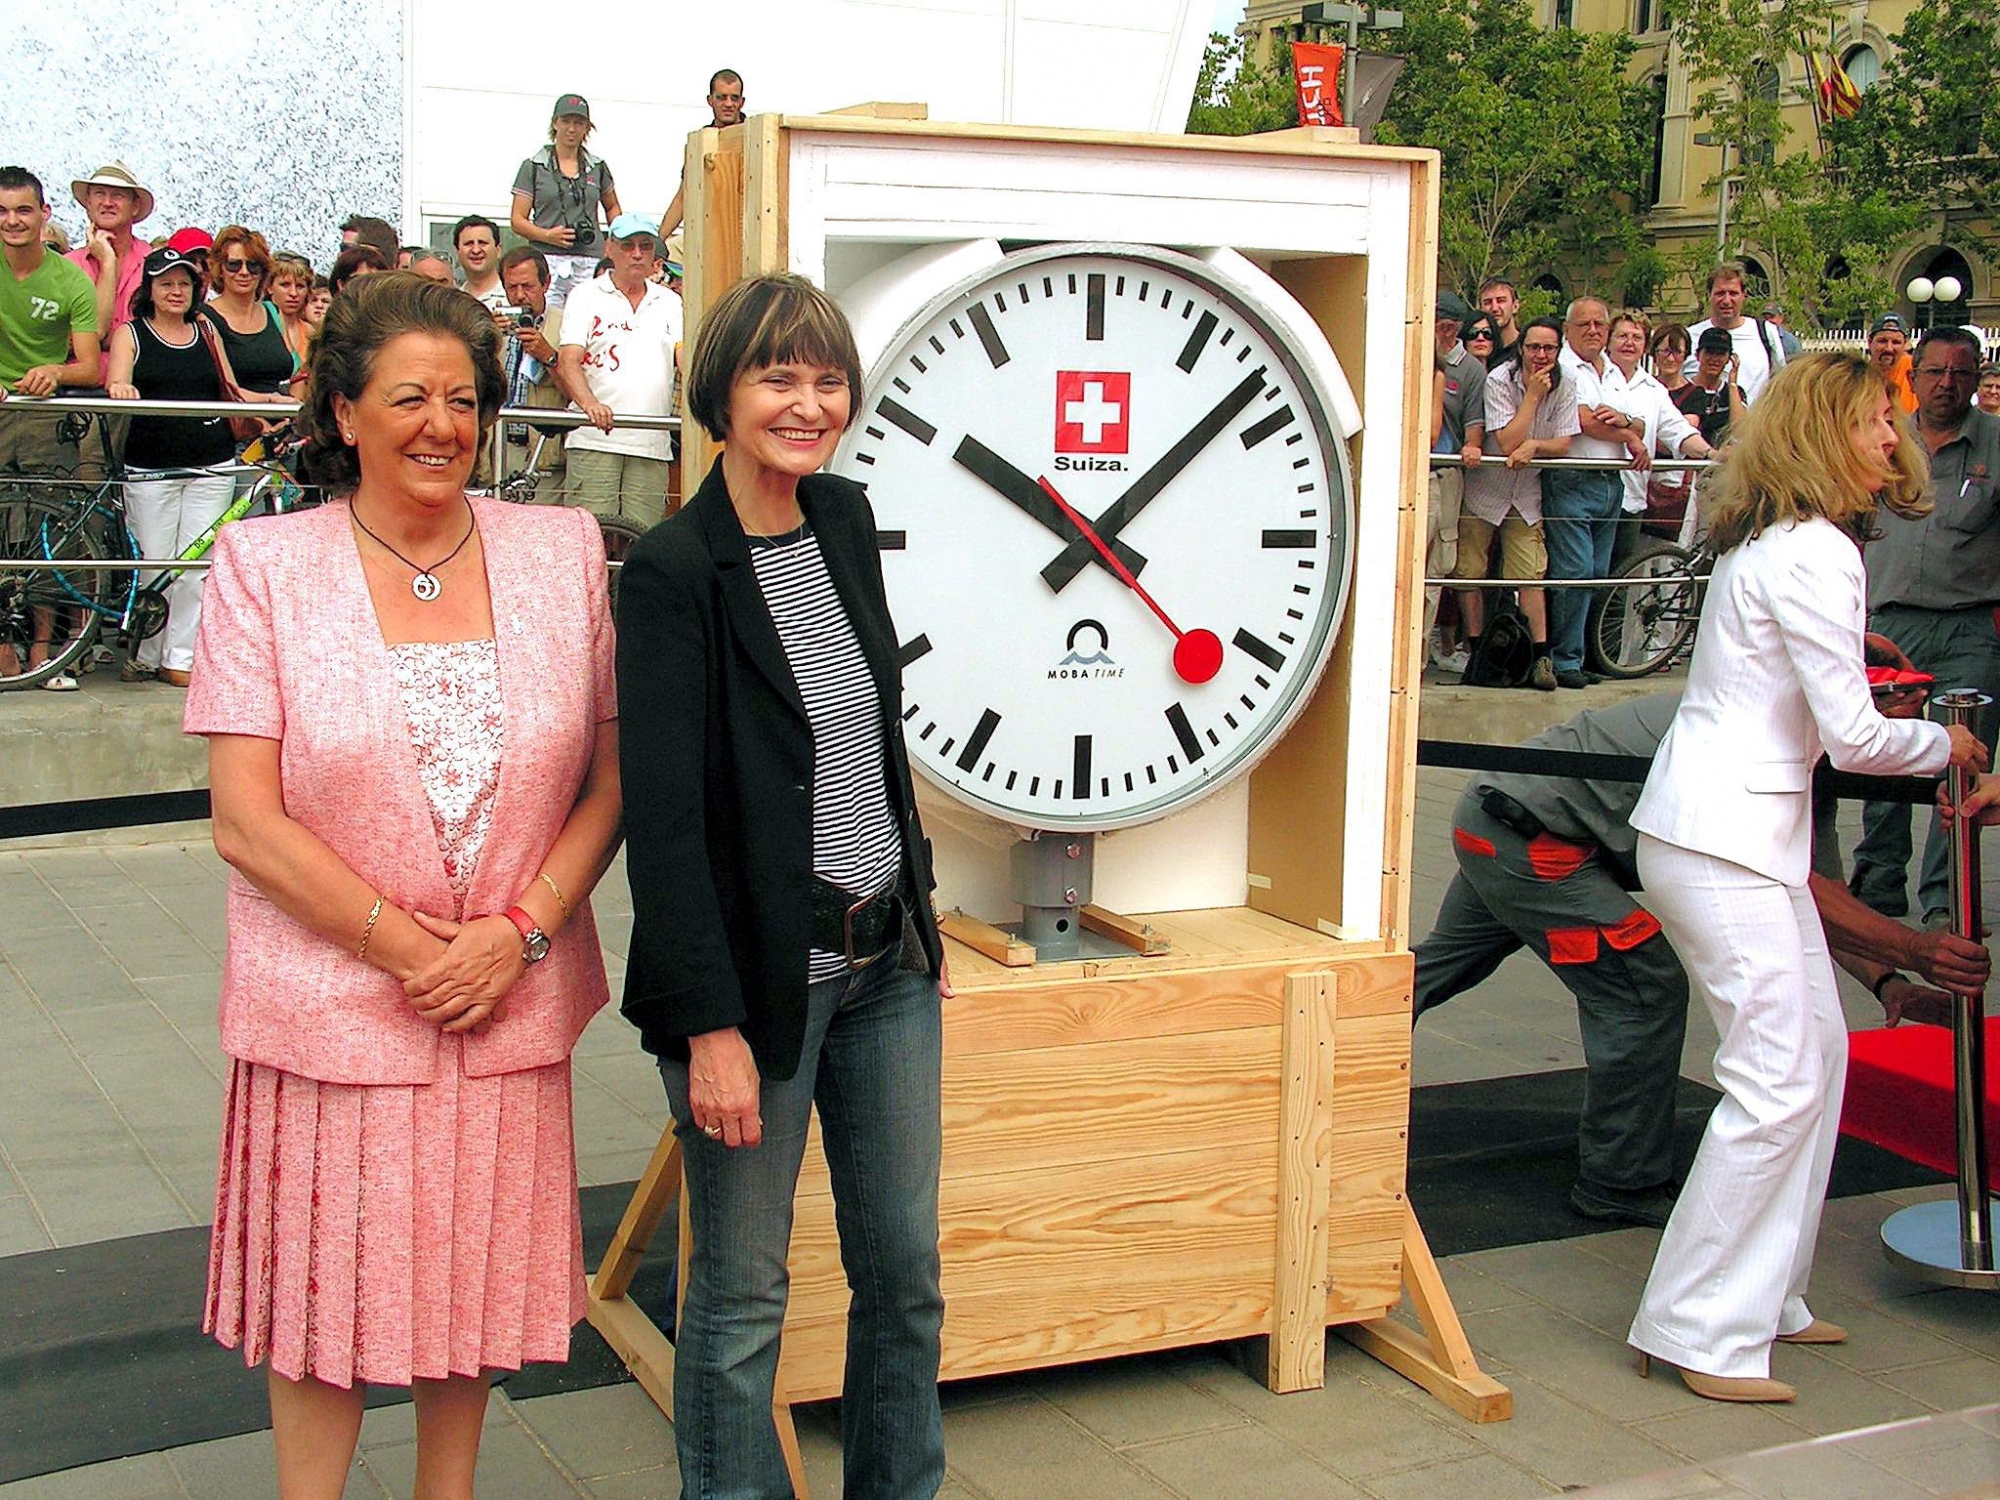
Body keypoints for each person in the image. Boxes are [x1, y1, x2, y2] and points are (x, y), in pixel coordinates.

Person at [189, 272, 623, 1497]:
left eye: (463, 399)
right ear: (340, 413)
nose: (440, 424)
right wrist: (406, 949)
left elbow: (608, 779)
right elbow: (246, 822)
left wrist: (519, 936)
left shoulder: (561, 551)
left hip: (505, 1003)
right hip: (327, 1012)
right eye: (406, 398)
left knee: (469, 1284)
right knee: (322, 1292)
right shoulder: (262, 564)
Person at [617, 272, 949, 1500]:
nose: (807, 403)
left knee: (903, 1274)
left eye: (824, 378)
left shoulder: (845, 520)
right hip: (756, 995)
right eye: (777, 376)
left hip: (885, 973)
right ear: (721, 393)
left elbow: (865, 738)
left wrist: (913, 910)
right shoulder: (671, 570)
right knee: (744, 1297)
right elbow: (663, 825)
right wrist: (709, 1028)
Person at [1625, 351, 1986, 1404]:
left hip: (1729, 833)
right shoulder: (1812, 552)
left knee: (1812, 1057)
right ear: (1829, 432)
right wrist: (1945, 748)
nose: (1893, 438)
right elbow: (1857, 737)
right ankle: (1694, 1325)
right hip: (1724, 838)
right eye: (1878, 421)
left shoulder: (1778, 544)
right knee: (1777, 1079)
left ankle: (1759, 1298)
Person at [1416, 686, 1989, 1230]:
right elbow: (1794, 883)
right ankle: (1620, 1185)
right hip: (1533, 840)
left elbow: (1815, 894)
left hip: (1502, 815)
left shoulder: (1802, 751)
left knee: (1436, 969)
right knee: (1644, 988)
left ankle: (1330, 1042)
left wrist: (1887, 981)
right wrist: (1914, 948)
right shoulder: (1755, 746)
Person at [1848, 326, 2000, 928]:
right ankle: (1877, 883)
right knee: (1880, 757)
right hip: (1890, 628)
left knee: (1959, 766)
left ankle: (1945, 897)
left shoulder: (1995, 443)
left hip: (1969, 630)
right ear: (1914, 377)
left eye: (1961, 374)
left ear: (1977, 377)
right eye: (1935, 372)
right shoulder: (1883, 440)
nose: (1947, 384)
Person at [107, 246, 272, 687]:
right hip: (152, 465)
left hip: (210, 460)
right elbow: (117, 380)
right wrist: (122, 387)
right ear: (151, 289)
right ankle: (146, 651)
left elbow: (230, 387)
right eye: (166, 283)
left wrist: (273, 401)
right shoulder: (132, 334)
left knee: (197, 563)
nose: (176, 291)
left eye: (183, 283)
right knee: (156, 561)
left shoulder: (205, 330)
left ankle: (181, 656)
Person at [0, 165, 104, 690]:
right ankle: (3, 649)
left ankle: (43, 652)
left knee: (48, 532)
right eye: (2, 211)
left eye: (23, 210)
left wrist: (53, 371)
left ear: (44, 214)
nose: (12, 221)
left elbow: (89, 365)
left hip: (45, 414)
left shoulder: (70, 278)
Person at [1454, 316, 1576, 691]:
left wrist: (1537, 446)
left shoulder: (1567, 382)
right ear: (1521, 348)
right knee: (1469, 571)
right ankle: (1477, 651)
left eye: (1549, 348)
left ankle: (1540, 656)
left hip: (1525, 495)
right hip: (1485, 491)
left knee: (1529, 575)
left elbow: (1564, 442)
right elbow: (1507, 441)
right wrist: (1534, 397)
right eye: (1534, 347)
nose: (1541, 355)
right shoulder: (1499, 379)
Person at [1548, 296, 1650, 689]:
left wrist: (1628, 424)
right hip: (1572, 479)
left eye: (1600, 324)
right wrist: (1627, 432)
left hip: (1611, 482)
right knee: (1576, 571)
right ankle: (1564, 658)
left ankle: (1586, 656)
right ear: (1568, 329)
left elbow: (1638, 420)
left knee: (1599, 574)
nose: (1593, 331)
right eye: (1584, 324)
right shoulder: (1565, 368)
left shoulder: (1611, 371)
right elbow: (1584, 420)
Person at [554, 214, 682, 528]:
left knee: (645, 542)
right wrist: (590, 405)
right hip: (594, 439)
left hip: (652, 444)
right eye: (628, 245)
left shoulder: (670, 302)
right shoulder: (585, 295)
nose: (637, 253)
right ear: (610, 248)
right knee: (589, 539)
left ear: (655, 254)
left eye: (645, 246)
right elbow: (568, 359)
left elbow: (686, 359)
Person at [1605, 311, 1710, 559]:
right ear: (1609, 341)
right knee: (1587, 575)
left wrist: (1710, 454)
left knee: (1618, 584)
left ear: (1645, 346)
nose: (1629, 343)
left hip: (1633, 499)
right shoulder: (1592, 376)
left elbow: (1678, 430)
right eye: (1622, 336)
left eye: (1637, 337)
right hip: (1595, 497)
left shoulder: (1654, 390)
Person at [510, 94, 623, 309]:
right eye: (566, 121)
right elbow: (517, 219)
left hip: (589, 256)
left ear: (587, 128)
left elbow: (612, 206)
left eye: (578, 123)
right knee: (548, 319)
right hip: (546, 255)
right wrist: (547, 235)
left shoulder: (597, 167)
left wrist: (614, 240)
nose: (571, 129)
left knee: (590, 315)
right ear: (555, 123)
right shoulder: (534, 166)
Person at [1427, 291, 1485, 667]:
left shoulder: (1468, 370)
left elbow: (1471, 428)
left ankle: (1416, 660)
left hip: (1444, 474)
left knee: (1436, 567)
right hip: (1412, 475)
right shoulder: (1412, 360)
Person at [486, 246, 566, 492]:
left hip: (544, 448)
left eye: (528, 286)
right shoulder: (491, 325)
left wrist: (549, 356)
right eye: (512, 287)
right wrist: (487, 338)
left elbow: (576, 392)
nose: (520, 295)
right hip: (500, 446)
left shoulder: (566, 326)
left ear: (546, 283)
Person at [201, 227, 296, 400]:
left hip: (283, 414)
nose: (244, 272)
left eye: (253, 265)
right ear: (219, 269)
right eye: (234, 265)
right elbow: (224, 388)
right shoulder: (205, 316)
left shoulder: (273, 311)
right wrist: (268, 409)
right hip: (237, 419)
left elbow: (294, 371)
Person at [67, 161, 153, 337]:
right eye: (100, 194)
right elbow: (65, 338)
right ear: (88, 203)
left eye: (117, 195)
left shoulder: (154, 264)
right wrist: (108, 262)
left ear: (135, 206)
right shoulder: (66, 266)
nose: (107, 202)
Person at [660, 69, 747, 238]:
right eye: (721, 97)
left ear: (742, 102)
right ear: (710, 100)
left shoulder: (755, 139)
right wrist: (659, 240)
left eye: (734, 98)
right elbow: (684, 196)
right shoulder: (700, 143)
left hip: (745, 235)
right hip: (709, 237)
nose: (728, 104)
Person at [1684, 262, 1785, 404]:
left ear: (1744, 295)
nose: (1726, 300)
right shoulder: (1689, 336)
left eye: (1733, 293)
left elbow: (1781, 384)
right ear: (1709, 295)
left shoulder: (1765, 333)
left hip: (1752, 423)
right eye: (1720, 293)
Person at [269, 253, 315, 363]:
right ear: (269, 287)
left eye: (300, 286)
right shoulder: (257, 327)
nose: (293, 293)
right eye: (285, 285)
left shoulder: (311, 333)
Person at [451, 215, 505, 308]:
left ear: (498, 250)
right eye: (469, 243)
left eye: (482, 243)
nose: (476, 250)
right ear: (457, 252)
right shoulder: (451, 301)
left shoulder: (513, 296)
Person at [1867, 314, 1916, 414]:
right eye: (1882, 341)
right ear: (1870, 342)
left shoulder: (1915, 370)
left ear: (1905, 344)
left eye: (1896, 342)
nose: (1888, 348)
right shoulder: (1860, 377)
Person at [1477, 275, 1522, 367]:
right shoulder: (1477, 348)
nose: (1494, 308)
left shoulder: (1526, 348)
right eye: (1488, 302)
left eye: (1501, 301)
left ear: (1515, 306)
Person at [1647, 323, 1691, 396]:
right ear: (1654, 353)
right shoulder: (1643, 389)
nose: (1671, 359)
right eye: (1665, 351)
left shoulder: (1695, 395)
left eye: (1677, 352)